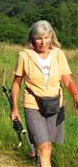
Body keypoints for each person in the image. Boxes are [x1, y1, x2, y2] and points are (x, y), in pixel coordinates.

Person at [10, 20, 78, 167]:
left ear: (51, 37)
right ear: (32, 39)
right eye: (39, 38)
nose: (43, 42)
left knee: (48, 147)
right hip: (33, 104)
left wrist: (76, 96)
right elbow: (16, 84)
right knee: (44, 146)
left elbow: (67, 79)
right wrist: (14, 109)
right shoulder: (25, 56)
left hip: (55, 105)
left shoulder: (58, 54)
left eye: (46, 37)